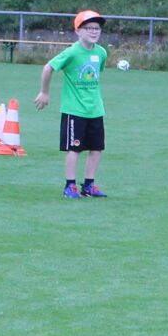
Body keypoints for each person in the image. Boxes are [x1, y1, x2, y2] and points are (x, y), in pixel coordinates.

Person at [37, 10, 110, 199]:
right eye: (89, 28)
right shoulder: (71, 52)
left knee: (96, 148)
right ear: (78, 31)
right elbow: (48, 68)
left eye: (97, 28)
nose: (94, 32)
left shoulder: (101, 53)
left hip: (95, 109)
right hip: (74, 110)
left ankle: (89, 184)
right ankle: (70, 185)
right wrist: (44, 93)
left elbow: (97, 72)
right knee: (74, 148)